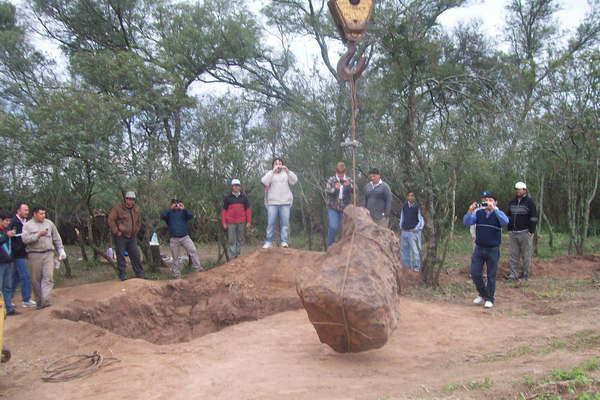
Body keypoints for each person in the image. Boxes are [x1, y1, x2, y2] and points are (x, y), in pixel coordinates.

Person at [463, 191, 508, 309]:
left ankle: (489, 299)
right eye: (486, 200)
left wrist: (495, 209)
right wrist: (470, 210)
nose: (487, 202)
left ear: (495, 202)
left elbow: (505, 222)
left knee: (491, 275)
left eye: (490, 200)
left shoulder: (499, 213)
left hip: (493, 249)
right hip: (479, 248)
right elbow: (466, 222)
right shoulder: (479, 213)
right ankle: (483, 294)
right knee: (475, 273)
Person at [21, 207, 66, 309]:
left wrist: (61, 249)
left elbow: (56, 237)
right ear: (35, 214)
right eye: (41, 214)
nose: (43, 216)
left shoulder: (49, 223)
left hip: (48, 253)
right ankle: (39, 301)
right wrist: (38, 235)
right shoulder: (28, 225)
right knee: (36, 279)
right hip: (35, 254)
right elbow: (24, 239)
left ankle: (46, 301)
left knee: (48, 277)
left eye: (44, 213)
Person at [161, 199, 204, 278]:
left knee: (193, 251)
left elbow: (191, 215)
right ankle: (176, 275)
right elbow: (162, 216)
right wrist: (171, 208)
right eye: (175, 204)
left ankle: (198, 269)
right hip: (174, 239)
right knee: (175, 257)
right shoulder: (169, 213)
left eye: (178, 204)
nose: (177, 205)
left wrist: (184, 209)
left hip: (185, 237)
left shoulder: (184, 212)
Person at [261, 158, 298, 249]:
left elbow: (294, 181)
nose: (278, 165)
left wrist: (288, 171)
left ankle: (284, 241)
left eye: (280, 163)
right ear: (273, 165)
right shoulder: (270, 174)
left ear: (282, 165)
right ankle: (269, 242)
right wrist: (272, 172)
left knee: (285, 224)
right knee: (271, 223)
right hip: (273, 203)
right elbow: (264, 181)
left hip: (285, 202)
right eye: (276, 163)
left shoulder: (286, 174)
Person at [108, 191, 145, 281]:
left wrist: (136, 229)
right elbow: (111, 220)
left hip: (132, 236)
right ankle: (122, 274)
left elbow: (139, 220)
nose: (130, 201)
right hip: (121, 235)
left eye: (132, 199)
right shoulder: (118, 209)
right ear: (125, 199)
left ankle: (139, 273)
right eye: (128, 199)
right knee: (120, 255)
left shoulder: (136, 209)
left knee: (135, 254)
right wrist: (116, 231)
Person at [506, 182, 538, 281]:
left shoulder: (530, 202)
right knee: (513, 255)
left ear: (525, 190)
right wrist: (510, 229)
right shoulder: (512, 202)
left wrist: (531, 231)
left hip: (525, 232)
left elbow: (534, 217)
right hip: (513, 232)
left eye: (520, 189)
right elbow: (508, 216)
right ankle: (513, 274)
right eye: (516, 189)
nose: (518, 191)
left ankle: (525, 274)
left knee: (526, 254)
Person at [10, 203, 36, 308]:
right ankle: (26, 300)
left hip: (24, 253)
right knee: (25, 276)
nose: (27, 212)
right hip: (17, 254)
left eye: (27, 210)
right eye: (25, 210)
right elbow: (11, 239)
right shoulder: (13, 222)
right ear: (18, 211)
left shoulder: (27, 223)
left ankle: (7, 298)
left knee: (16, 277)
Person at [222, 179, 252, 258]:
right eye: (234, 186)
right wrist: (224, 222)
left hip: (241, 222)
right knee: (231, 240)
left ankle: (237, 255)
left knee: (240, 239)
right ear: (232, 187)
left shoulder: (244, 197)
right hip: (231, 222)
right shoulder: (228, 198)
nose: (236, 187)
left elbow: (248, 210)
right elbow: (224, 211)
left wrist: (249, 222)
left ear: (240, 187)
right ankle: (232, 257)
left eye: (238, 185)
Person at [325, 162, 353, 247]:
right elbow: (327, 190)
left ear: (344, 172)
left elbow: (355, 190)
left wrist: (349, 186)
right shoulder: (332, 179)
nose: (340, 175)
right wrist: (335, 189)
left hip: (344, 208)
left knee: (344, 229)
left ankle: (343, 247)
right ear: (336, 171)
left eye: (342, 173)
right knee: (333, 226)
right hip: (333, 207)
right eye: (339, 173)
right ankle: (330, 244)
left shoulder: (348, 179)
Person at [399, 191, 425, 272]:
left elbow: (421, 220)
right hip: (404, 231)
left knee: (415, 251)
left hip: (413, 232)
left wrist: (416, 229)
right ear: (407, 197)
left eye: (412, 196)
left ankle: (416, 268)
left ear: (415, 197)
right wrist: (401, 226)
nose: (411, 197)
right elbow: (402, 217)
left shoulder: (418, 207)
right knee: (404, 250)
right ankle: (407, 267)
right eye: (409, 195)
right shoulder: (404, 206)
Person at [0, 210, 18, 315]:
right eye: (6, 221)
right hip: (0, 263)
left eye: (9, 221)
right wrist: (7, 235)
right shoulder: (5, 233)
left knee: (8, 286)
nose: (8, 223)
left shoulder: (7, 230)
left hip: (8, 261)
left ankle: (9, 308)